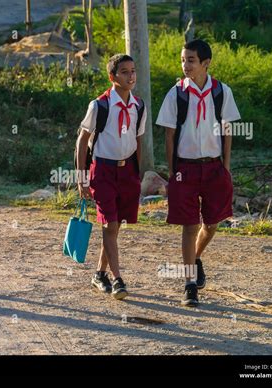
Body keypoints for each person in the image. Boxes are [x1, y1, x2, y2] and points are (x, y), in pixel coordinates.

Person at [156, 39, 241, 307]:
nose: (185, 65)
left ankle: (194, 257)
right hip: (186, 167)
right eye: (182, 60)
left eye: (191, 60)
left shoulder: (222, 92)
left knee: (212, 223)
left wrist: (225, 167)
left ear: (206, 63)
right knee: (189, 225)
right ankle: (189, 284)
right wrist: (172, 171)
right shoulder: (176, 93)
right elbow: (169, 136)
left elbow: (227, 130)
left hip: (214, 167)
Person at [76, 54, 147, 300]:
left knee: (115, 226)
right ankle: (118, 280)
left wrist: (138, 173)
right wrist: (81, 177)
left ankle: (99, 274)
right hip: (103, 170)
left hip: (127, 171)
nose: (131, 76)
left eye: (133, 71)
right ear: (112, 77)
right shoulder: (99, 106)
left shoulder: (139, 105)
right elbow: (82, 140)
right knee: (110, 224)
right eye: (125, 72)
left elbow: (138, 140)